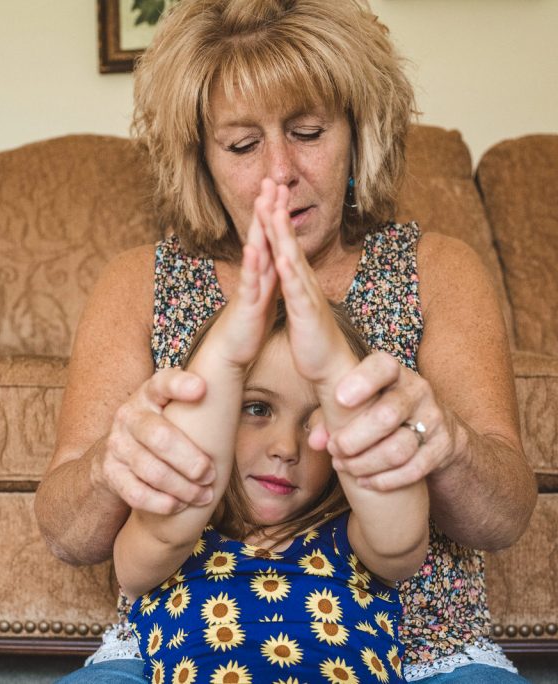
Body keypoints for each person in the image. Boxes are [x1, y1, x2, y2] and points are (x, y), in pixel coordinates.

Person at [35, 0, 537, 681]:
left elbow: (499, 519)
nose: (280, 171)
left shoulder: (437, 268)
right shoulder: (138, 281)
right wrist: (108, 467)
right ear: (202, 160)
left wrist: (441, 440)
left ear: (359, 132)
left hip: (416, 654)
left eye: (307, 132)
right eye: (243, 146)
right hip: (176, 652)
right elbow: (71, 535)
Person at [117, 186, 431, 683]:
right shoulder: (175, 536)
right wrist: (227, 354)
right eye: (257, 408)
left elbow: (403, 534)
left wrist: (333, 371)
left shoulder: (351, 541)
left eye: (316, 423)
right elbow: (183, 483)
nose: (287, 448)